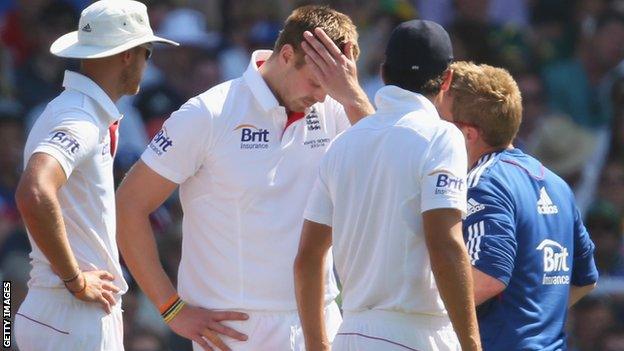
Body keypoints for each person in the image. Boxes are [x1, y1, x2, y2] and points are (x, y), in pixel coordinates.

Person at [115, 5, 374, 351]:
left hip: (321, 321)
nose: (322, 96)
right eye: (315, 81)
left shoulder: (338, 106)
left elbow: (387, 166)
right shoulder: (208, 112)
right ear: (286, 55)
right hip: (233, 333)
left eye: (333, 85)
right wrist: (171, 308)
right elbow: (128, 206)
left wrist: (353, 94)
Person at [295, 20, 481, 351]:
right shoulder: (442, 136)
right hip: (417, 335)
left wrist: (316, 347)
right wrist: (472, 345)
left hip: (349, 335)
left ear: (383, 72)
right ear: (447, 79)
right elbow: (445, 245)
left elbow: (308, 257)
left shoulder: (342, 145)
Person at [13, 1, 178, 350]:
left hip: (63, 313)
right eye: (147, 52)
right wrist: (75, 280)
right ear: (128, 56)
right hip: (71, 313)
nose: (149, 63)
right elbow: (35, 193)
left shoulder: (78, 110)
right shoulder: (80, 116)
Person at [446, 61, 599, 350]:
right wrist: (534, 322)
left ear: (467, 134)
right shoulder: (555, 184)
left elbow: (488, 278)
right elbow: (585, 279)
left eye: (444, 123)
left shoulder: (482, 183)